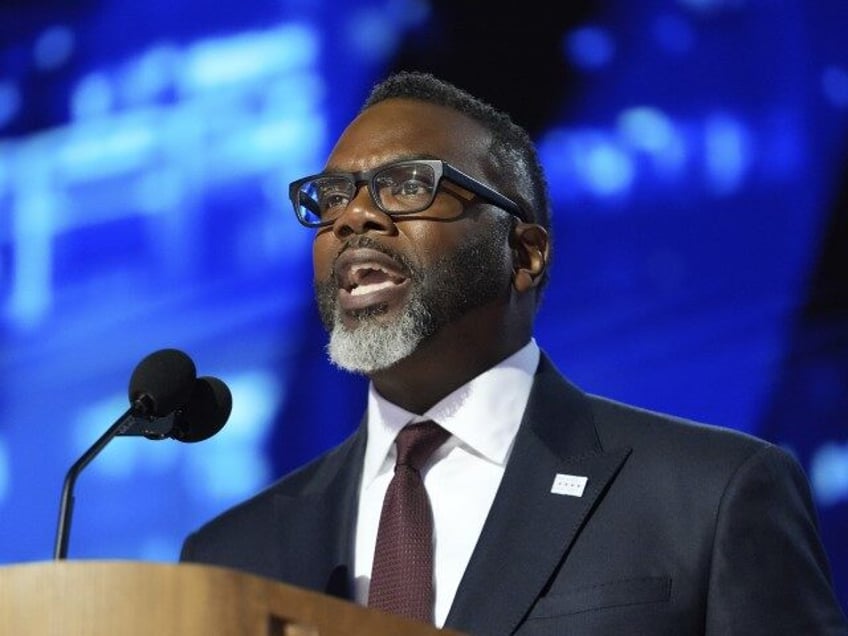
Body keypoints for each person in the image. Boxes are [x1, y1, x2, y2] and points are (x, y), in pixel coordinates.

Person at [181, 71, 847, 635]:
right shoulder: (231, 557)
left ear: (524, 254)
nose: (354, 217)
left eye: (408, 186)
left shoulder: (712, 493)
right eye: (331, 199)